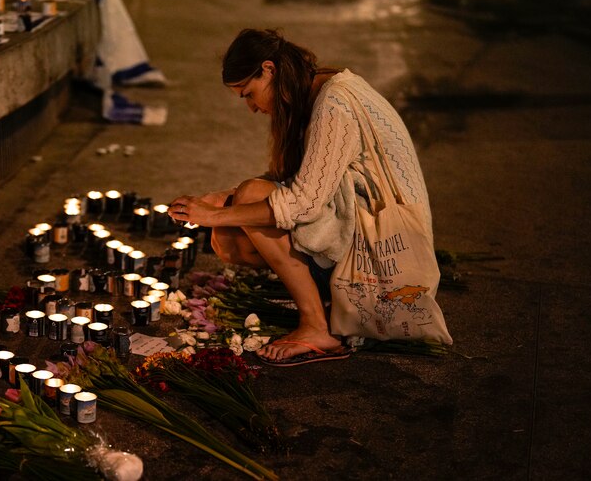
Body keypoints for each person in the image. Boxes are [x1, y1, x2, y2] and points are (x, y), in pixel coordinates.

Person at [168, 28, 432, 366]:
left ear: (269, 69)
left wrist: (214, 215)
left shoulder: (336, 103)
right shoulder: (313, 90)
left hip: (387, 267)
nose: (251, 107)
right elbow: (299, 182)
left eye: (249, 94)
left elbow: (304, 203)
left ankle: (317, 326)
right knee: (233, 231)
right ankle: (325, 303)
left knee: (247, 199)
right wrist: (221, 200)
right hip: (358, 233)